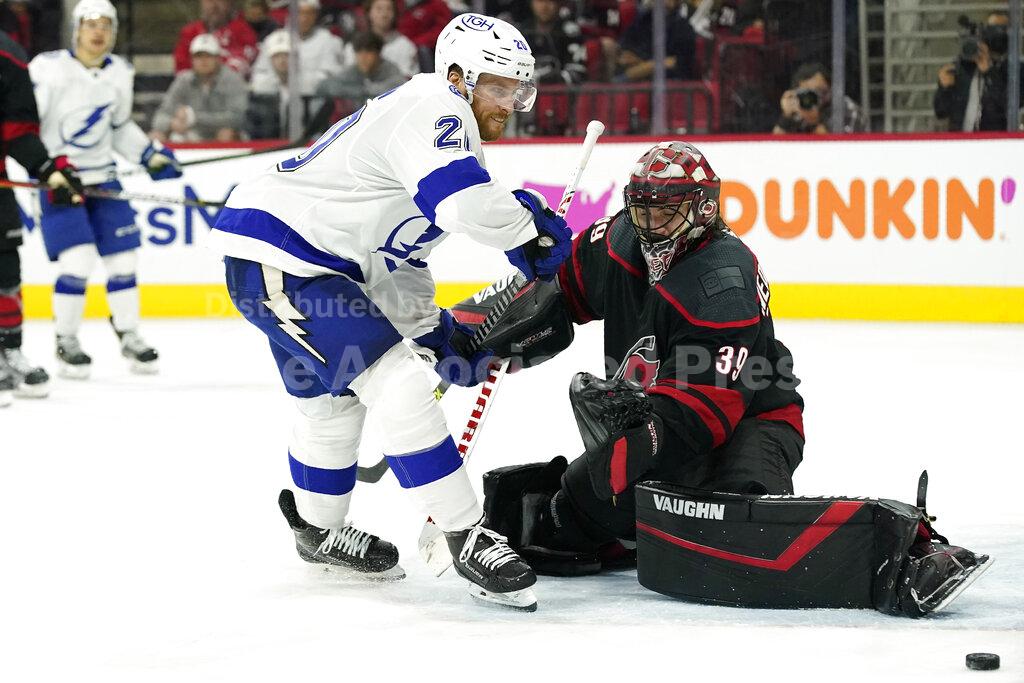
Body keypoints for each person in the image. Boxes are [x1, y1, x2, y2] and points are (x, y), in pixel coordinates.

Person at [207, 13, 571, 611]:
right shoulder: (435, 104)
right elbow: (459, 206)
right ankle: (467, 534)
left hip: (301, 266)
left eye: (518, 90)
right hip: (290, 262)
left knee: (331, 403)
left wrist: (433, 333)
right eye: (498, 87)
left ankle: (317, 531)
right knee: (398, 386)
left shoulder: (449, 139)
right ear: (458, 74)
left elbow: (399, 259)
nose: (510, 103)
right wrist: (527, 229)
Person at [477, 141, 804, 573]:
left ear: (703, 210)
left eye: (665, 213)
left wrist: (633, 431)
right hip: (658, 420)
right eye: (642, 211)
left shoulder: (723, 282)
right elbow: (559, 292)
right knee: (557, 523)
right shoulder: (621, 239)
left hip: (750, 422)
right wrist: (477, 332)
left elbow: (702, 414)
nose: (650, 225)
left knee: (738, 534)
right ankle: (632, 529)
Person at [29, 0, 184, 379]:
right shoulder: (48, 69)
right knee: (77, 261)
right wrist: (44, 169)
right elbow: (28, 125)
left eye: (106, 25)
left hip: (104, 179)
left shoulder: (119, 73)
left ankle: (129, 334)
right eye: (90, 23)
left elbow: (118, 127)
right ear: (76, 30)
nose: (98, 31)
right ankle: (67, 341)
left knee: (124, 262)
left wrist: (148, 154)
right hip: (59, 181)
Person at [0, 29, 85, 405]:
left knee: (5, 270)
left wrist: (48, 169)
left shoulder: (8, 55)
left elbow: (16, 131)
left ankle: (8, 353)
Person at [934, 12, 1024, 132]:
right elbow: (941, 112)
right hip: (959, 143)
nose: (996, 35)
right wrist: (944, 88)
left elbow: (1012, 105)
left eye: (1001, 30)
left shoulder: (1016, 70)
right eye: (991, 30)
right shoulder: (963, 67)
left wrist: (989, 71)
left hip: (996, 144)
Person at [151, 33, 249, 143]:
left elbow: (237, 118)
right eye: (198, 56)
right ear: (192, 59)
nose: (203, 61)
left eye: (208, 56)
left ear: (218, 58)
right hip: (190, 132)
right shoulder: (183, 80)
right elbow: (161, 115)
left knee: (226, 133)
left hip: (219, 132)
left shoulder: (232, 79)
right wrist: (172, 123)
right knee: (157, 135)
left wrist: (195, 118)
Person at [251, 1, 346, 97]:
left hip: (316, 101)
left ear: (316, 15)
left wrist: (290, 82)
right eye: (299, 12)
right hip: (274, 102)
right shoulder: (274, 40)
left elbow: (331, 81)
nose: (304, 18)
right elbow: (258, 81)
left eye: (309, 13)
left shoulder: (329, 41)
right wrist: (281, 83)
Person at [774, 62, 868, 134]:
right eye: (808, 94)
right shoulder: (799, 110)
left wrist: (814, 122)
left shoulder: (848, 111)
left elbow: (839, 151)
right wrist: (785, 117)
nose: (816, 97)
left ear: (831, 89)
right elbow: (774, 150)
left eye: (821, 92)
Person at [173, 0, 259, 77]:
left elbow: (241, 66)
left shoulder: (243, 31)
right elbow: (181, 68)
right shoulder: (189, 32)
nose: (214, 5)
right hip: (194, 90)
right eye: (209, 1)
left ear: (230, 3)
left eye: (220, 1)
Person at [617, 0, 697, 81]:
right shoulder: (643, 21)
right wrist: (638, 62)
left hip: (670, 82)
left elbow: (677, 63)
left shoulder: (683, 28)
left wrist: (648, 67)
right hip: (635, 74)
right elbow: (626, 48)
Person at [317, 31, 406, 102]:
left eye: (368, 51)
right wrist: (360, 91)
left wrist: (366, 90)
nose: (363, 57)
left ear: (378, 53)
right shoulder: (354, 70)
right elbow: (325, 85)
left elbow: (400, 86)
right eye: (359, 52)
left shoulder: (390, 69)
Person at [345, 0, 418, 79]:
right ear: (369, 13)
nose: (384, 14)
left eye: (389, 9)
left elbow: (407, 81)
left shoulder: (406, 46)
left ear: (395, 14)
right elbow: (348, 79)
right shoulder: (353, 46)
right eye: (379, 9)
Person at [520, 0, 587, 85]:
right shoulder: (521, 31)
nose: (544, 7)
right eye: (540, 1)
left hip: (558, 93)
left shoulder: (570, 32)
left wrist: (543, 78)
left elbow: (577, 73)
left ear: (559, 4)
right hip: (524, 93)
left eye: (550, 1)